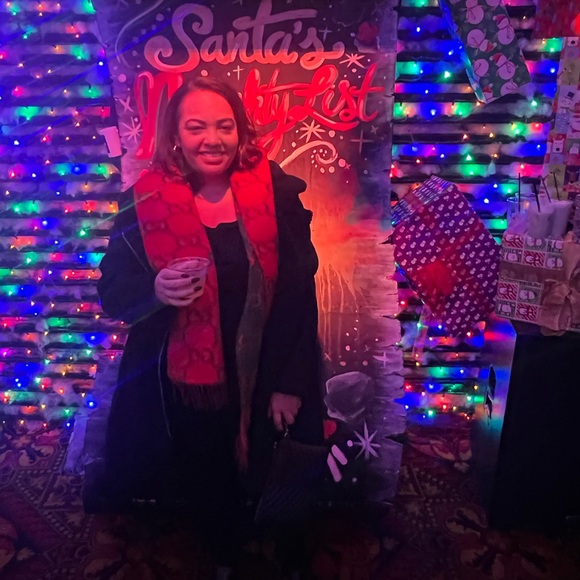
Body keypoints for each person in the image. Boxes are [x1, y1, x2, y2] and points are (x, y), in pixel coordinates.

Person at [89, 76, 324, 578]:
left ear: (241, 131)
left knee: (273, 469)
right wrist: (155, 290)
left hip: (266, 365)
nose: (212, 139)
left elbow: (300, 293)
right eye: (196, 127)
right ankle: (224, 553)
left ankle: (276, 541)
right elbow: (112, 292)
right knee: (204, 471)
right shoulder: (144, 200)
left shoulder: (275, 190)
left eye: (224, 126)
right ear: (175, 134)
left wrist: (291, 382)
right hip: (185, 381)